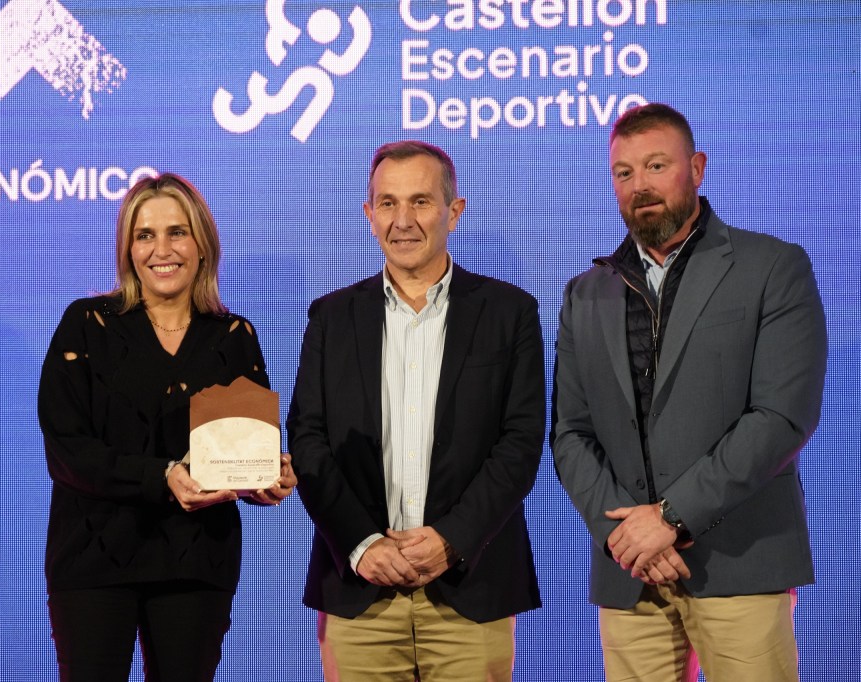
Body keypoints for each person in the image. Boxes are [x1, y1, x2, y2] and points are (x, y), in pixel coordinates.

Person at [552, 103, 827, 681]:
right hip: (631, 576)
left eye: (656, 166)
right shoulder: (585, 293)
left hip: (740, 565)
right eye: (624, 172)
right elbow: (571, 433)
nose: (640, 185)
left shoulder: (771, 266)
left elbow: (781, 416)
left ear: (697, 168)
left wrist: (670, 518)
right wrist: (624, 536)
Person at [287, 140, 544, 681]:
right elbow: (308, 440)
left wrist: (452, 539)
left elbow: (520, 443)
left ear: (454, 211)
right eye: (387, 203)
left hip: (470, 589)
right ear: (369, 214)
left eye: (421, 202)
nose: (402, 220)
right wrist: (362, 545)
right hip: (359, 592)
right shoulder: (331, 317)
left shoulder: (509, 312)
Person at [37, 172, 296, 681]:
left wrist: (268, 478)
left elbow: (242, 451)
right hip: (93, 561)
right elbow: (67, 451)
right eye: (145, 235)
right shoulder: (86, 324)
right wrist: (162, 476)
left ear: (202, 244)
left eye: (177, 232)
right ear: (128, 249)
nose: (162, 250)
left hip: (195, 562)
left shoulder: (234, 335)